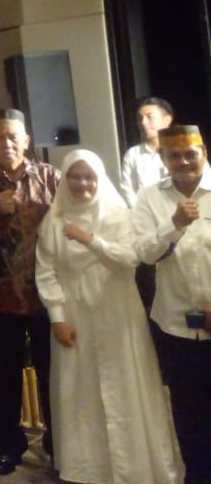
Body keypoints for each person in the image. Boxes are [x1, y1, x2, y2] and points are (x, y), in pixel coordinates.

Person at [35, 148, 181, 484]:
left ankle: (135, 467)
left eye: (89, 176)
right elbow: (46, 271)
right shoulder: (53, 222)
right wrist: (57, 316)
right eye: (74, 176)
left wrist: (91, 240)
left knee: (126, 385)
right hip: (75, 316)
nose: (82, 183)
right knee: (80, 391)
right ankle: (89, 470)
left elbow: (130, 258)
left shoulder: (119, 215)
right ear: (64, 179)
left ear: (100, 178)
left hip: (118, 312)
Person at [0, 108, 58, 475]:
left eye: (13, 136)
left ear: (26, 141)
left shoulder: (51, 176)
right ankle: (9, 443)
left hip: (47, 294)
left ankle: (60, 442)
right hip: (0, 295)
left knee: (54, 374)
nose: (7, 143)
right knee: (3, 375)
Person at [133, 123, 211, 484]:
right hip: (176, 323)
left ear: (204, 153)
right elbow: (144, 253)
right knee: (188, 410)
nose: (183, 161)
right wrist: (174, 225)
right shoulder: (150, 197)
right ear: (163, 159)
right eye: (174, 155)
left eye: (190, 154)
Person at [119, 97, 175, 209]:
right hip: (144, 214)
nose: (143, 122)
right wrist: (143, 213)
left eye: (150, 117)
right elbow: (127, 190)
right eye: (140, 119)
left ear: (167, 120)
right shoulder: (133, 154)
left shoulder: (183, 149)